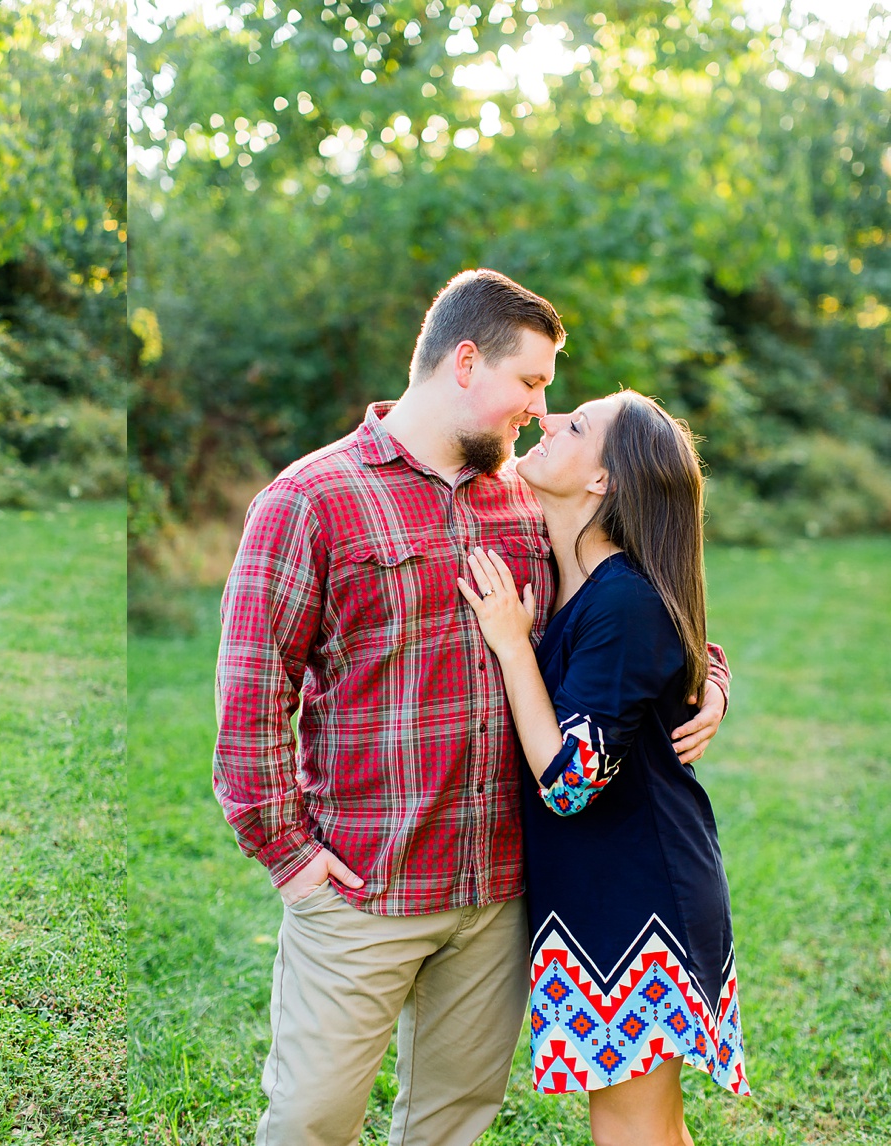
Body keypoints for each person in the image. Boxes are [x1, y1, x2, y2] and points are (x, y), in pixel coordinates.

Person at [212, 269, 731, 1146]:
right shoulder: (309, 501)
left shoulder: (533, 496)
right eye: (530, 383)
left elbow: (639, 597)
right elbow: (253, 693)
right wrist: (288, 854)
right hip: (365, 882)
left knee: (453, 1125)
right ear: (464, 361)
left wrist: (708, 678)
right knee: (308, 1120)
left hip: (500, 888)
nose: (539, 409)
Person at [457, 391, 748, 1146]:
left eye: (576, 425)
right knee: (642, 1130)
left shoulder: (621, 600)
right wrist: (712, 677)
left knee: (634, 1133)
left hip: (640, 901)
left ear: (603, 482)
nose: (549, 423)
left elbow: (571, 782)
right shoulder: (577, 581)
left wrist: (513, 646)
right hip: (601, 892)